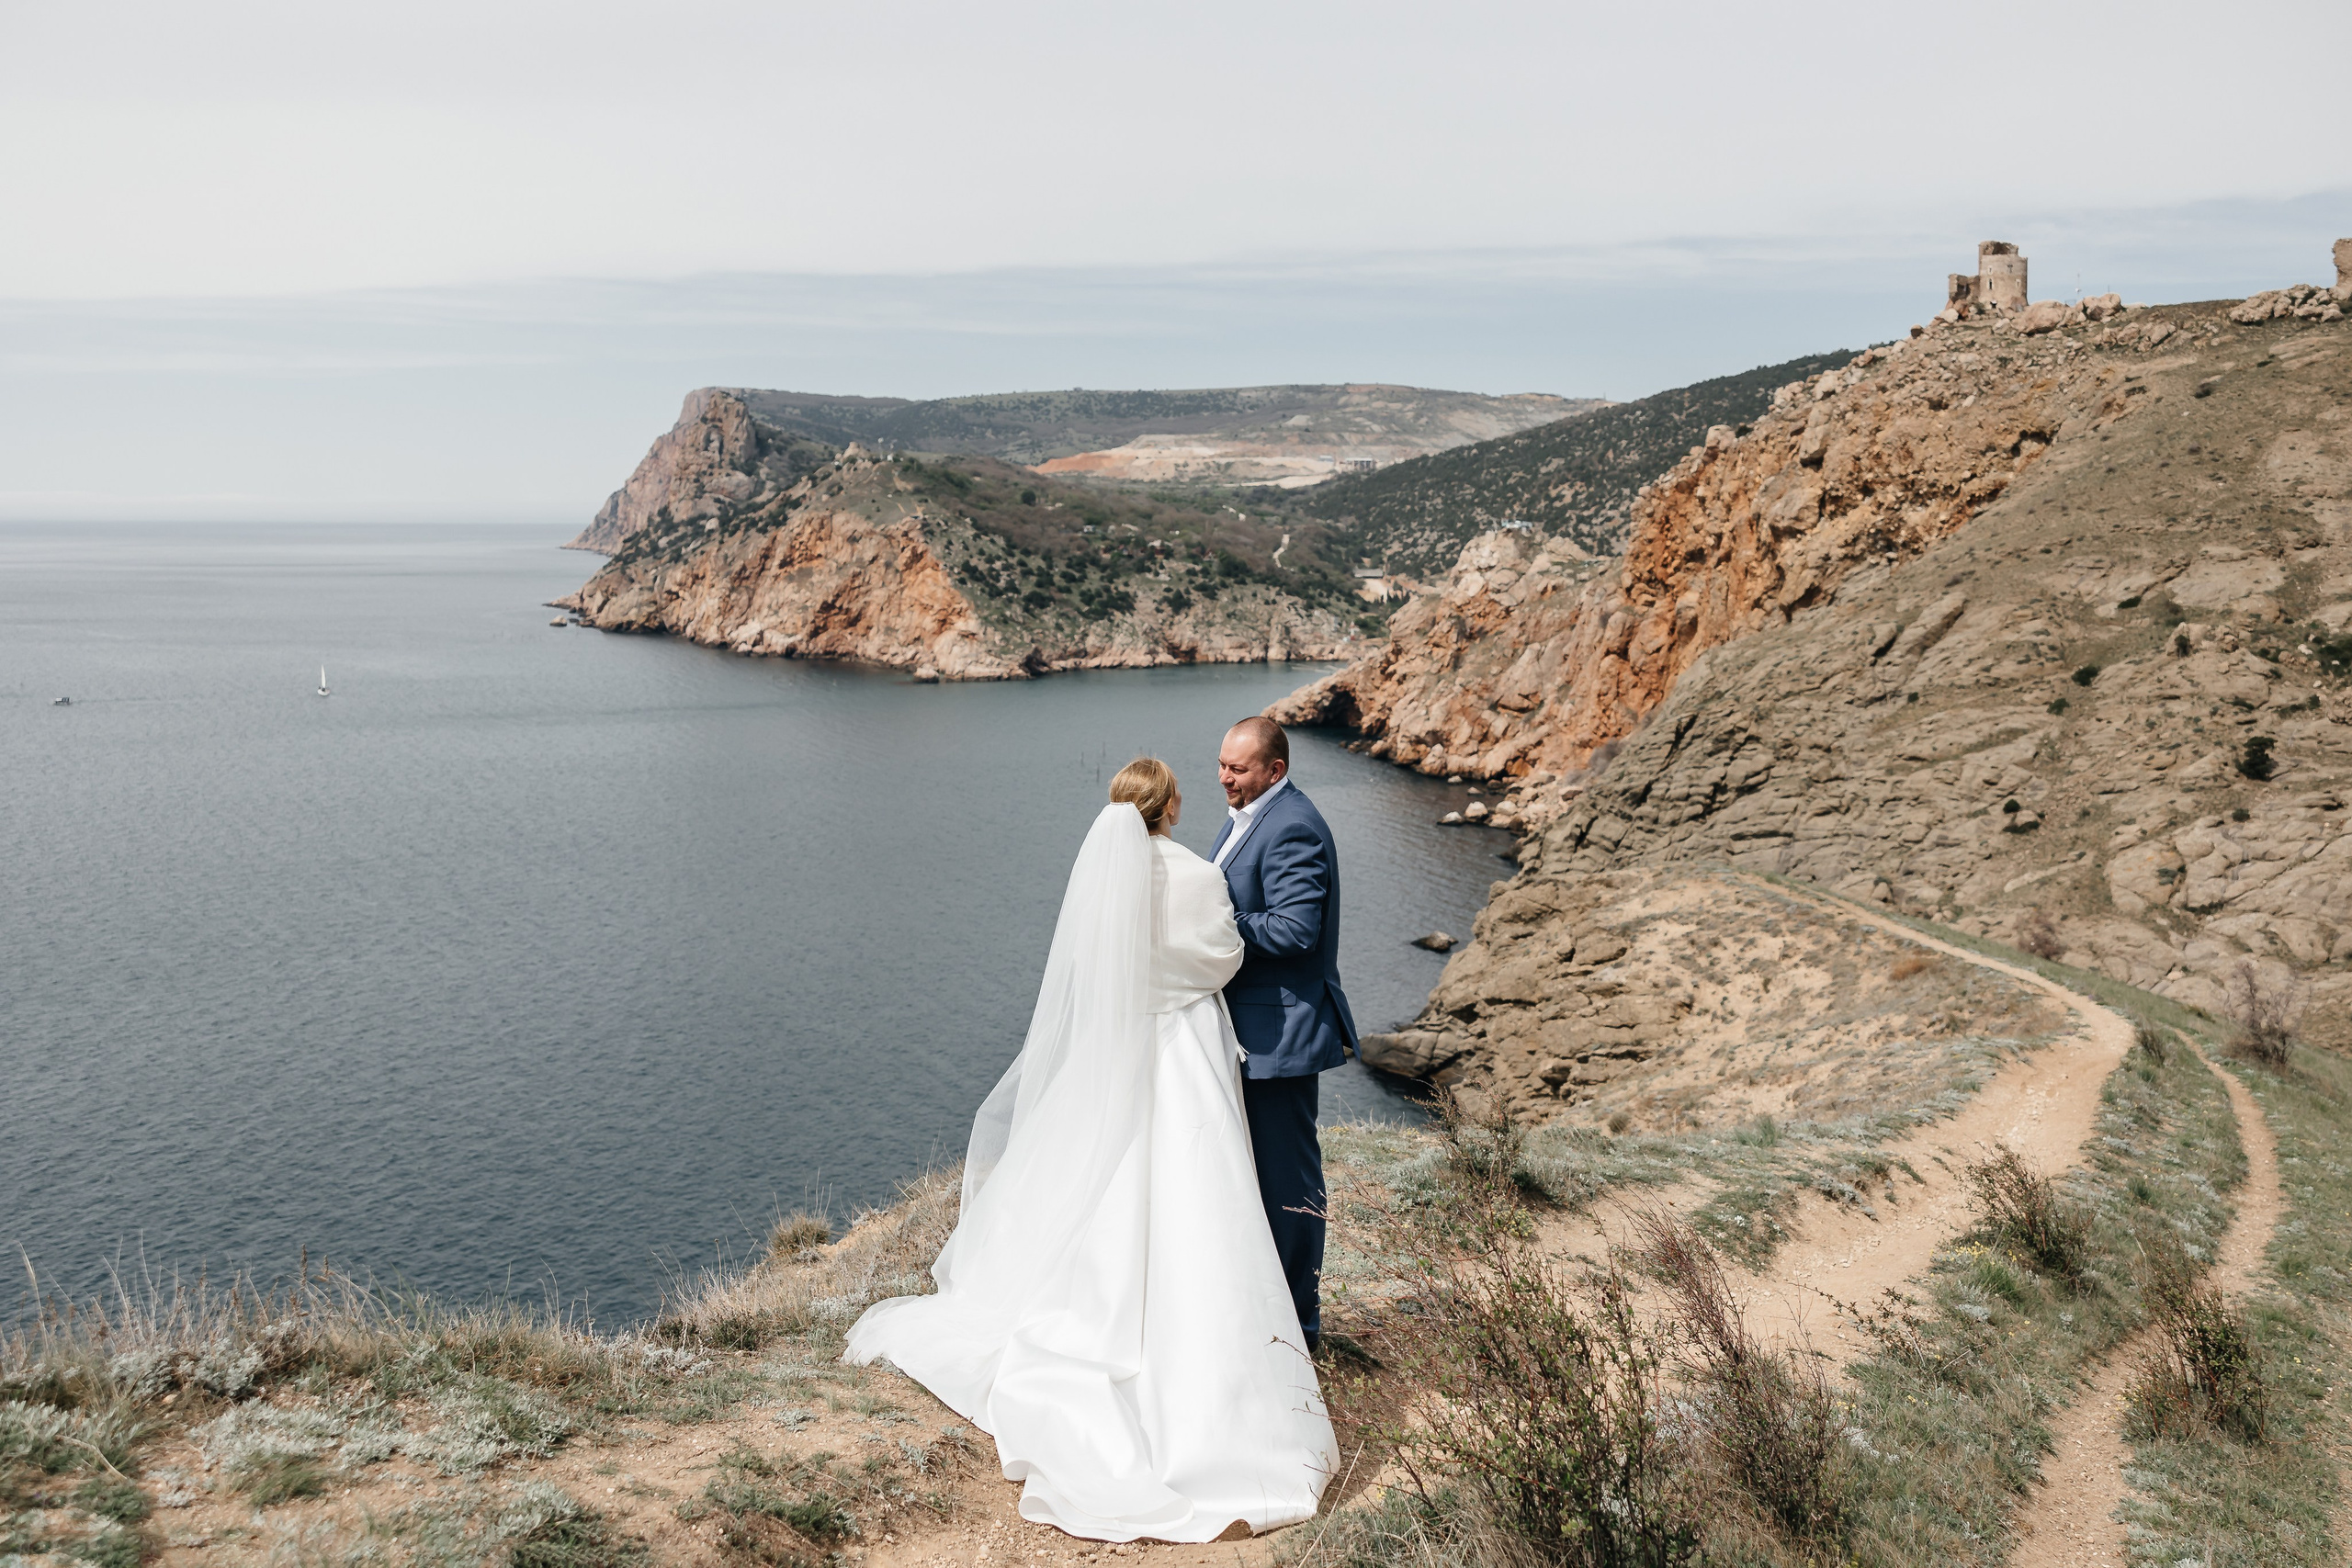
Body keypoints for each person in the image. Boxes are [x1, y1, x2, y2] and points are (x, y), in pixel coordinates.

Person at [843, 758, 1337, 1542]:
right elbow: (1222, 959)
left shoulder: (1104, 878)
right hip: (1185, 1049)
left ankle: (1096, 1309)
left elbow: (1099, 968)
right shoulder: (1196, 874)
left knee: (1115, 1179)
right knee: (1194, 1186)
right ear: (1171, 806)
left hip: (1118, 1050)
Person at [1208, 716, 1358, 1355]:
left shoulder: (1292, 824)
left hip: (1281, 1035)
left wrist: (1213, 918)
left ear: (1274, 769)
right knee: (1255, 1178)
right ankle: (1263, 1310)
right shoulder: (1247, 817)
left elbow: (1295, 929)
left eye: (1237, 769)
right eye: (1221, 764)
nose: (1224, 777)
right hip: (1253, 1031)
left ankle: (1302, 1326)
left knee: (1290, 1181)